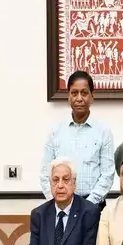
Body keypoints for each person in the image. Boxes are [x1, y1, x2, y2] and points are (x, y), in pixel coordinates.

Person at [40, 70, 114, 206]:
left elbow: (107, 175)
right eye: (74, 93)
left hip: (93, 206)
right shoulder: (55, 132)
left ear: (92, 96)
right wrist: (55, 201)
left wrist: (89, 205)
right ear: (68, 96)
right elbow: (45, 174)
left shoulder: (103, 132)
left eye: (84, 93)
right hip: (61, 206)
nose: (79, 98)